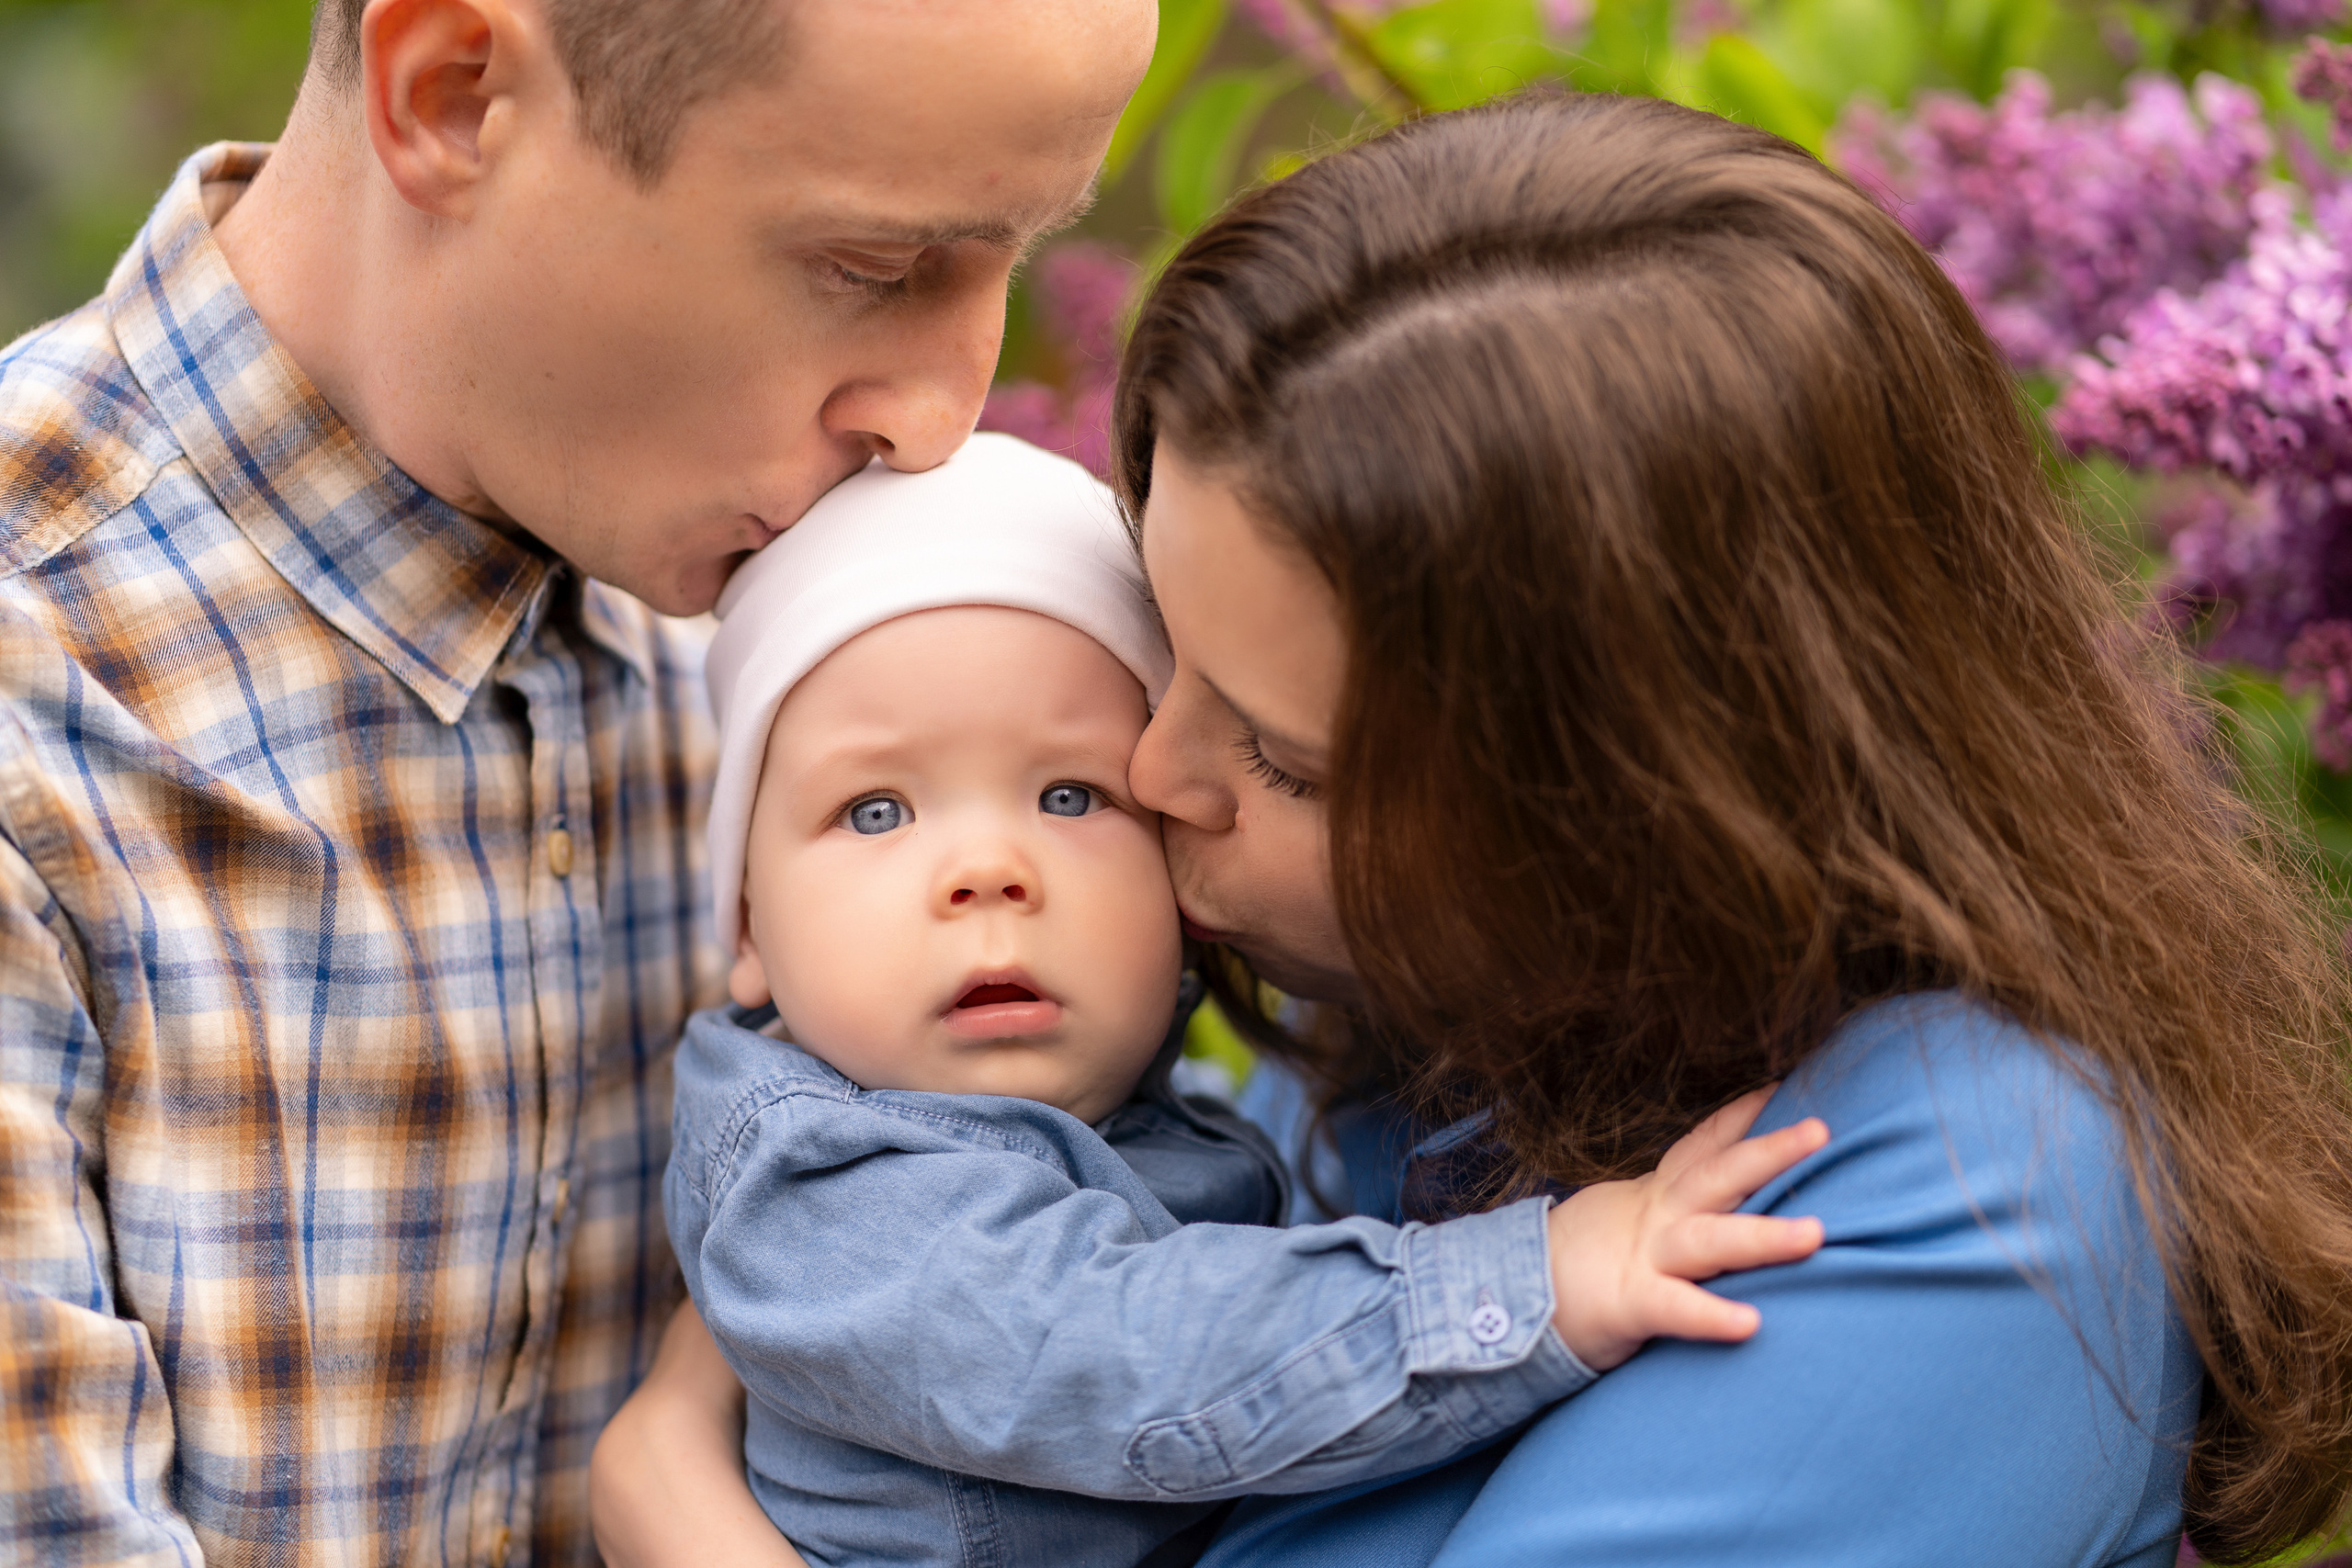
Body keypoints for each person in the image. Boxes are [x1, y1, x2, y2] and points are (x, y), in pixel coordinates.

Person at [594, 93, 2352, 1567]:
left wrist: (682, 1509)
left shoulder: (1970, 1184)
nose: (1153, 772)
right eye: (1169, 654)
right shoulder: (1401, 1033)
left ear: (1644, 817)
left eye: (1288, 759)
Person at [0, 0, 1157, 1561]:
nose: (944, 415)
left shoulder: (813, 675)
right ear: (454, 95)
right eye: (871, 267)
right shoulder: (42, 706)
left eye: (1015, 256)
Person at [671, 433, 1826, 1568]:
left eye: (1070, 795)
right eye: (875, 811)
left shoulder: (1184, 1110)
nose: (987, 870)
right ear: (748, 927)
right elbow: (1121, 1352)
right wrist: (1539, 1286)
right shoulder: (821, 1187)